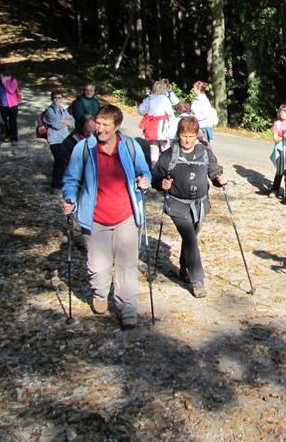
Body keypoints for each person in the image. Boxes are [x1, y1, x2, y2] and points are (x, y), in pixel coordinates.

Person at [62, 105, 151, 330]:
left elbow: (144, 170)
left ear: (117, 127)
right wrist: (70, 197)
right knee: (98, 267)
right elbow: (71, 179)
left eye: (105, 125)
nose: (99, 129)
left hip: (127, 215)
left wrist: (144, 180)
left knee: (127, 264)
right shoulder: (84, 148)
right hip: (95, 217)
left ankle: (128, 307)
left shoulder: (130, 146)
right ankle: (100, 293)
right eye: (97, 123)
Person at [151, 116, 226, 298]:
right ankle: (197, 280)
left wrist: (219, 179)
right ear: (179, 135)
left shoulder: (204, 152)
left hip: (200, 205)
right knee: (191, 239)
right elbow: (155, 178)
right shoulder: (169, 155)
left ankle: (184, 269)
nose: (187, 140)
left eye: (191, 136)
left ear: (196, 136)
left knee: (191, 237)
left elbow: (214, 172)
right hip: (177, 205)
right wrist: (163, 184)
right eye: (184, 136)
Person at [138, 79, 176, 165]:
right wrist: (170, 125)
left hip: (151, 124)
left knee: (153, 145)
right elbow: (170, 114)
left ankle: (154, 165)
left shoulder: (149, 98)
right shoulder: (164, 99)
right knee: (164, 145)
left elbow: (140, 110)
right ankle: (166, 164)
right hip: (162, 125)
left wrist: (147, 113)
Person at [44, 89, 73, 193]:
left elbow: (72, 122)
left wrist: (62, 121)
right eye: (55, 97)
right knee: (59, 161)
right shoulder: (49, 110)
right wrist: (65, 121)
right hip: (54, 140)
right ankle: (55, 186)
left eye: (59, 97)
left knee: (65, 161)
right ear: (52, 98)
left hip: (64, 138)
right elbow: (56, 125)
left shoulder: (63, 110)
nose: (57, 99)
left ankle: (62, 183)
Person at [0, 68, 21, 145]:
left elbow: (11, 91)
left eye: (0, 75)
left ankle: (15, 138)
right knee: (4, 122)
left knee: (12, 122)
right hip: (2, 105)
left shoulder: (13, 81)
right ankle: (8, 135)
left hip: (12, 105)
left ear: (4, 74)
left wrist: (4, 82)